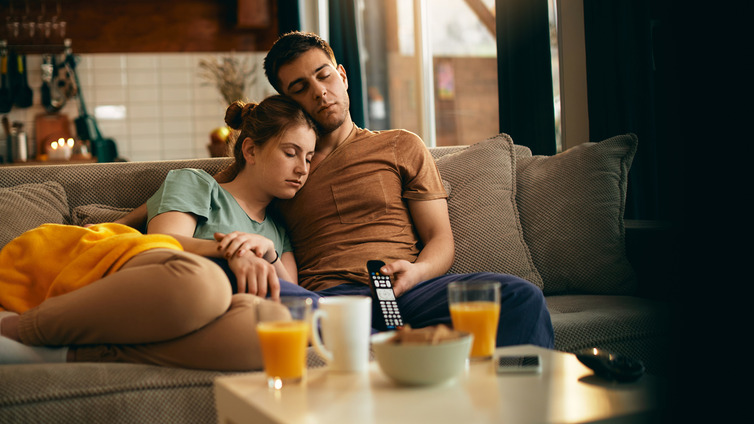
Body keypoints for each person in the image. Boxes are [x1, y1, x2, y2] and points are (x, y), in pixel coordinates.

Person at [114, 31, 554, 348]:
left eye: (324, 76)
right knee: (300, 307)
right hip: (327, 298)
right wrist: (112, 224)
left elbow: (441, 239)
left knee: (520, 297)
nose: (320, 92)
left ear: (342, 75)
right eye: (300, 88)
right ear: (289, 101)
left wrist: (415, 272)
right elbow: (211, 198)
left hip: (406, 288)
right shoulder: (281, 170)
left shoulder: (401, 145)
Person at [0, 95, 319, 370]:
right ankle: (21, 329)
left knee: (274, 330)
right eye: (291, 153)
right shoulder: (198, 184)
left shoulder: (277, 229)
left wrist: (266, 250)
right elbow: (165, 244)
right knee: (204, 284)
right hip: (160, 281)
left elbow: (289, 297)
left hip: (205, 316)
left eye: (308, 157)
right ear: (250, 151)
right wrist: (233, 251)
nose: (302, 169)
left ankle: (66, 355)